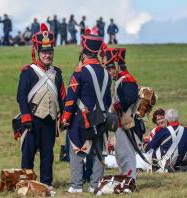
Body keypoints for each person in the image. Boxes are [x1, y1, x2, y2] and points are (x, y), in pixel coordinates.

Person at [16, 23, 66, 189]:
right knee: (28, 154)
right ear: (38, 52)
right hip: (33, 119)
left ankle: (46, 183)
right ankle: (25, 183)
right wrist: (26, 117)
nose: (47, 55)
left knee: (47, 155)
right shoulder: (28, 72)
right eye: (44, 52)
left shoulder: (57, 73)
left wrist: (64, 117)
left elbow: (62, 97)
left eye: (50, 52)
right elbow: (21, 97)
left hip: (50, 120)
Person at [61, 29, 111, 193]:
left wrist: (66, 117)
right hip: (101, 118)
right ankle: (95, 185)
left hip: (81, 119)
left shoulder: (80, 72)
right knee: (98, 152)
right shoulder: (106, 73)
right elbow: (108, 100)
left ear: (84, 50)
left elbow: (71, 98)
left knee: (77, 151)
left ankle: (76, 185)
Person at [104, 47, 139, 180]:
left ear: (117, 66)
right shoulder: (121, 80)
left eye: (110, 68)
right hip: (121, 123)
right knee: (120, 153)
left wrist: (115, 106)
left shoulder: (127, 80)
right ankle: (126, 178)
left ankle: (130, 180)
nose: (109, 72)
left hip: (127, 123)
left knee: (126, 153)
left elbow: (130, 98)